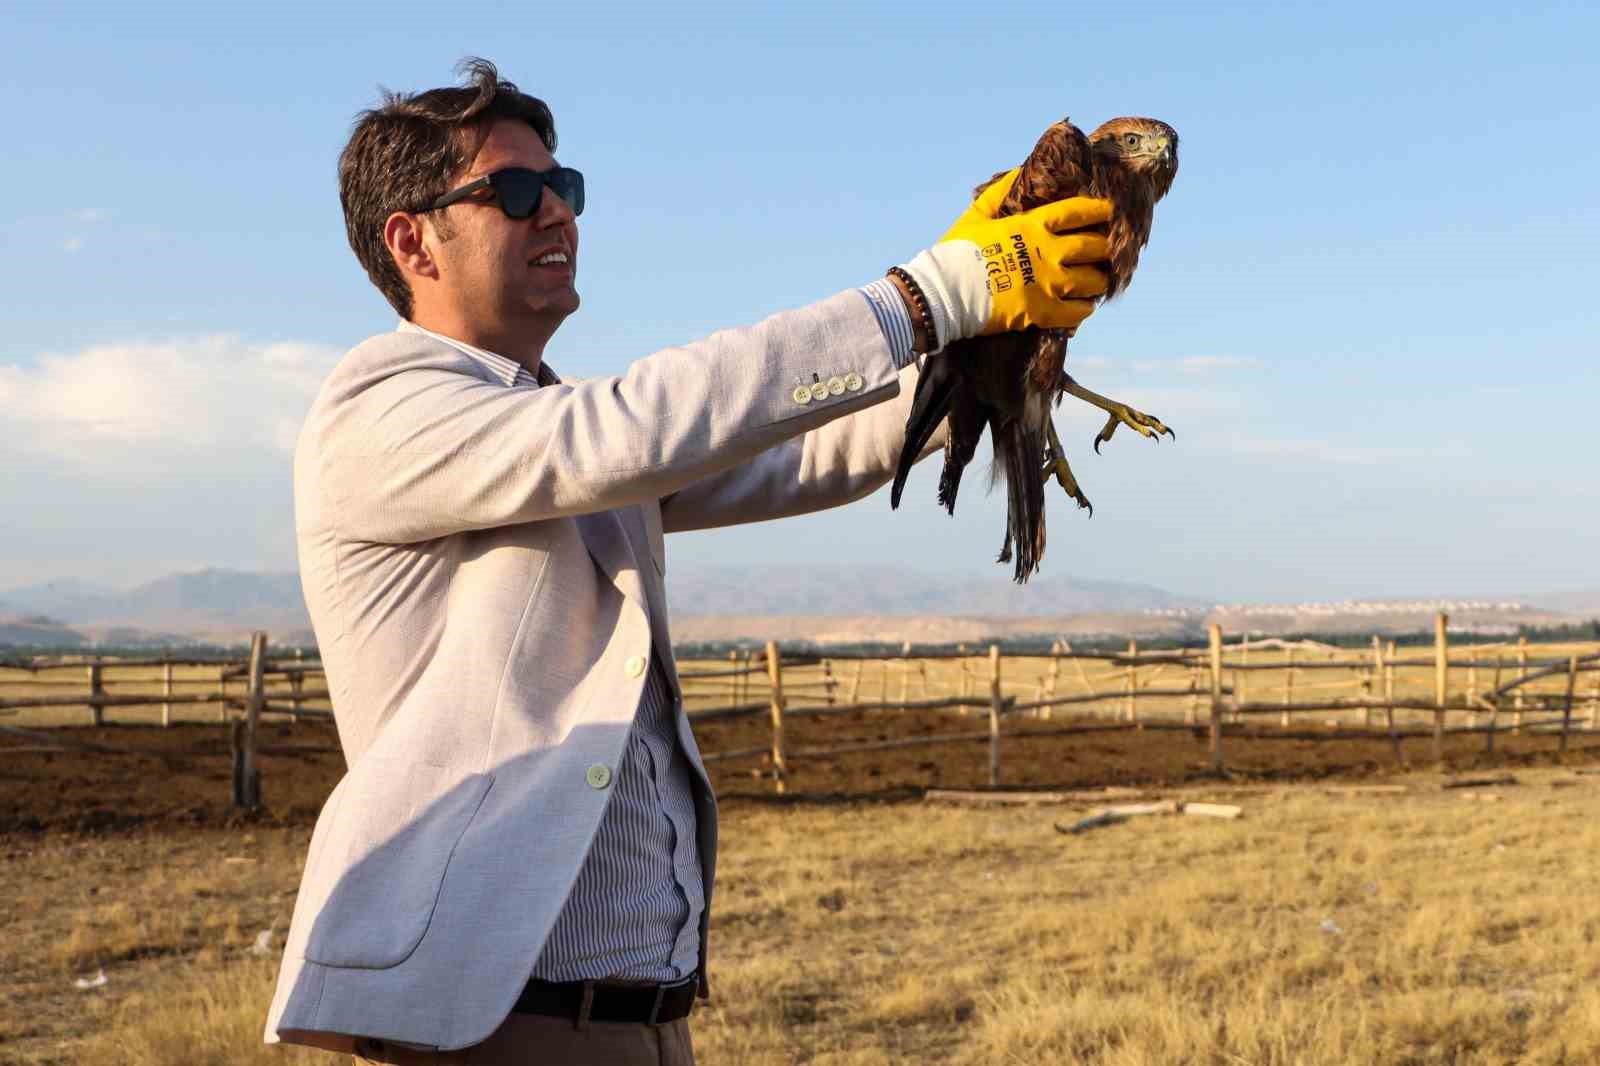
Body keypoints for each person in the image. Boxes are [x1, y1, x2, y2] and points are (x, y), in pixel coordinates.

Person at [265, 59, 1112, 1065]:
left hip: (641, 1022)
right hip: (492, 1025)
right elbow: (639, 425)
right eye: (517, 193)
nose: (557, 215)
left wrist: (974, 364)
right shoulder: (382, 407)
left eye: (565, 189)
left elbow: (780, 456)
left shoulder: (549, 424)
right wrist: (927, 297)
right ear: (412, 240)